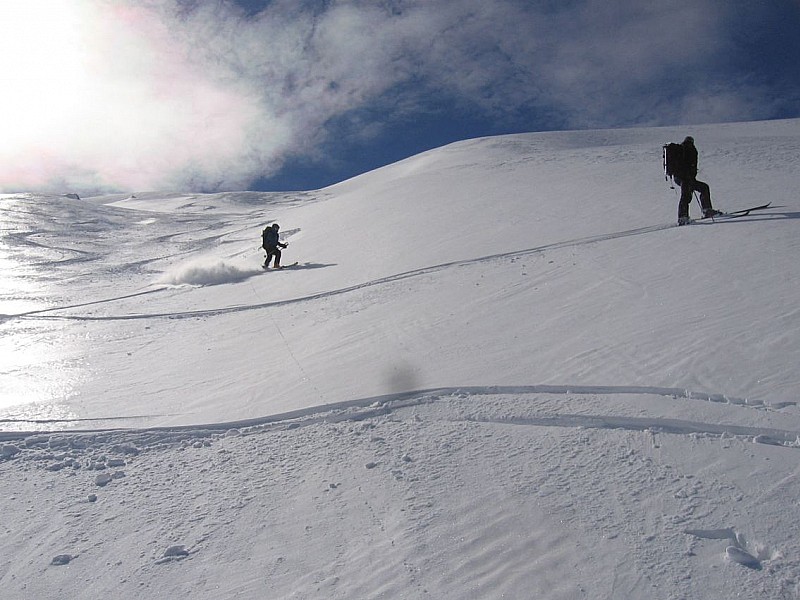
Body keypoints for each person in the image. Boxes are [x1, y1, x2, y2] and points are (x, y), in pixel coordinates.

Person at [674, 136, 721, 225]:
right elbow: (690, 165)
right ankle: (683, 217)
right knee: (688, 194)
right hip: (686, 178)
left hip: (682, 177)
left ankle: (705, 210)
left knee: (701, 188)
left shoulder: (681, 149)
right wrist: (688, 174)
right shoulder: (689, 149)